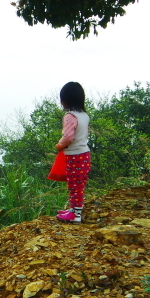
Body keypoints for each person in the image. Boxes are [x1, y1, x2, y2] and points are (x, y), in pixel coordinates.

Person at [55, 81, 91, 224]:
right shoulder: (84, 115)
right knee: (78, 184)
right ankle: (73, 210)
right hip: (85, 154)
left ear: (65, 100)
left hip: (74, 156)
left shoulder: (70, 116)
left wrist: (59, 145)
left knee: (74, 185)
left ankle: (75, 215)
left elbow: (69, 137)